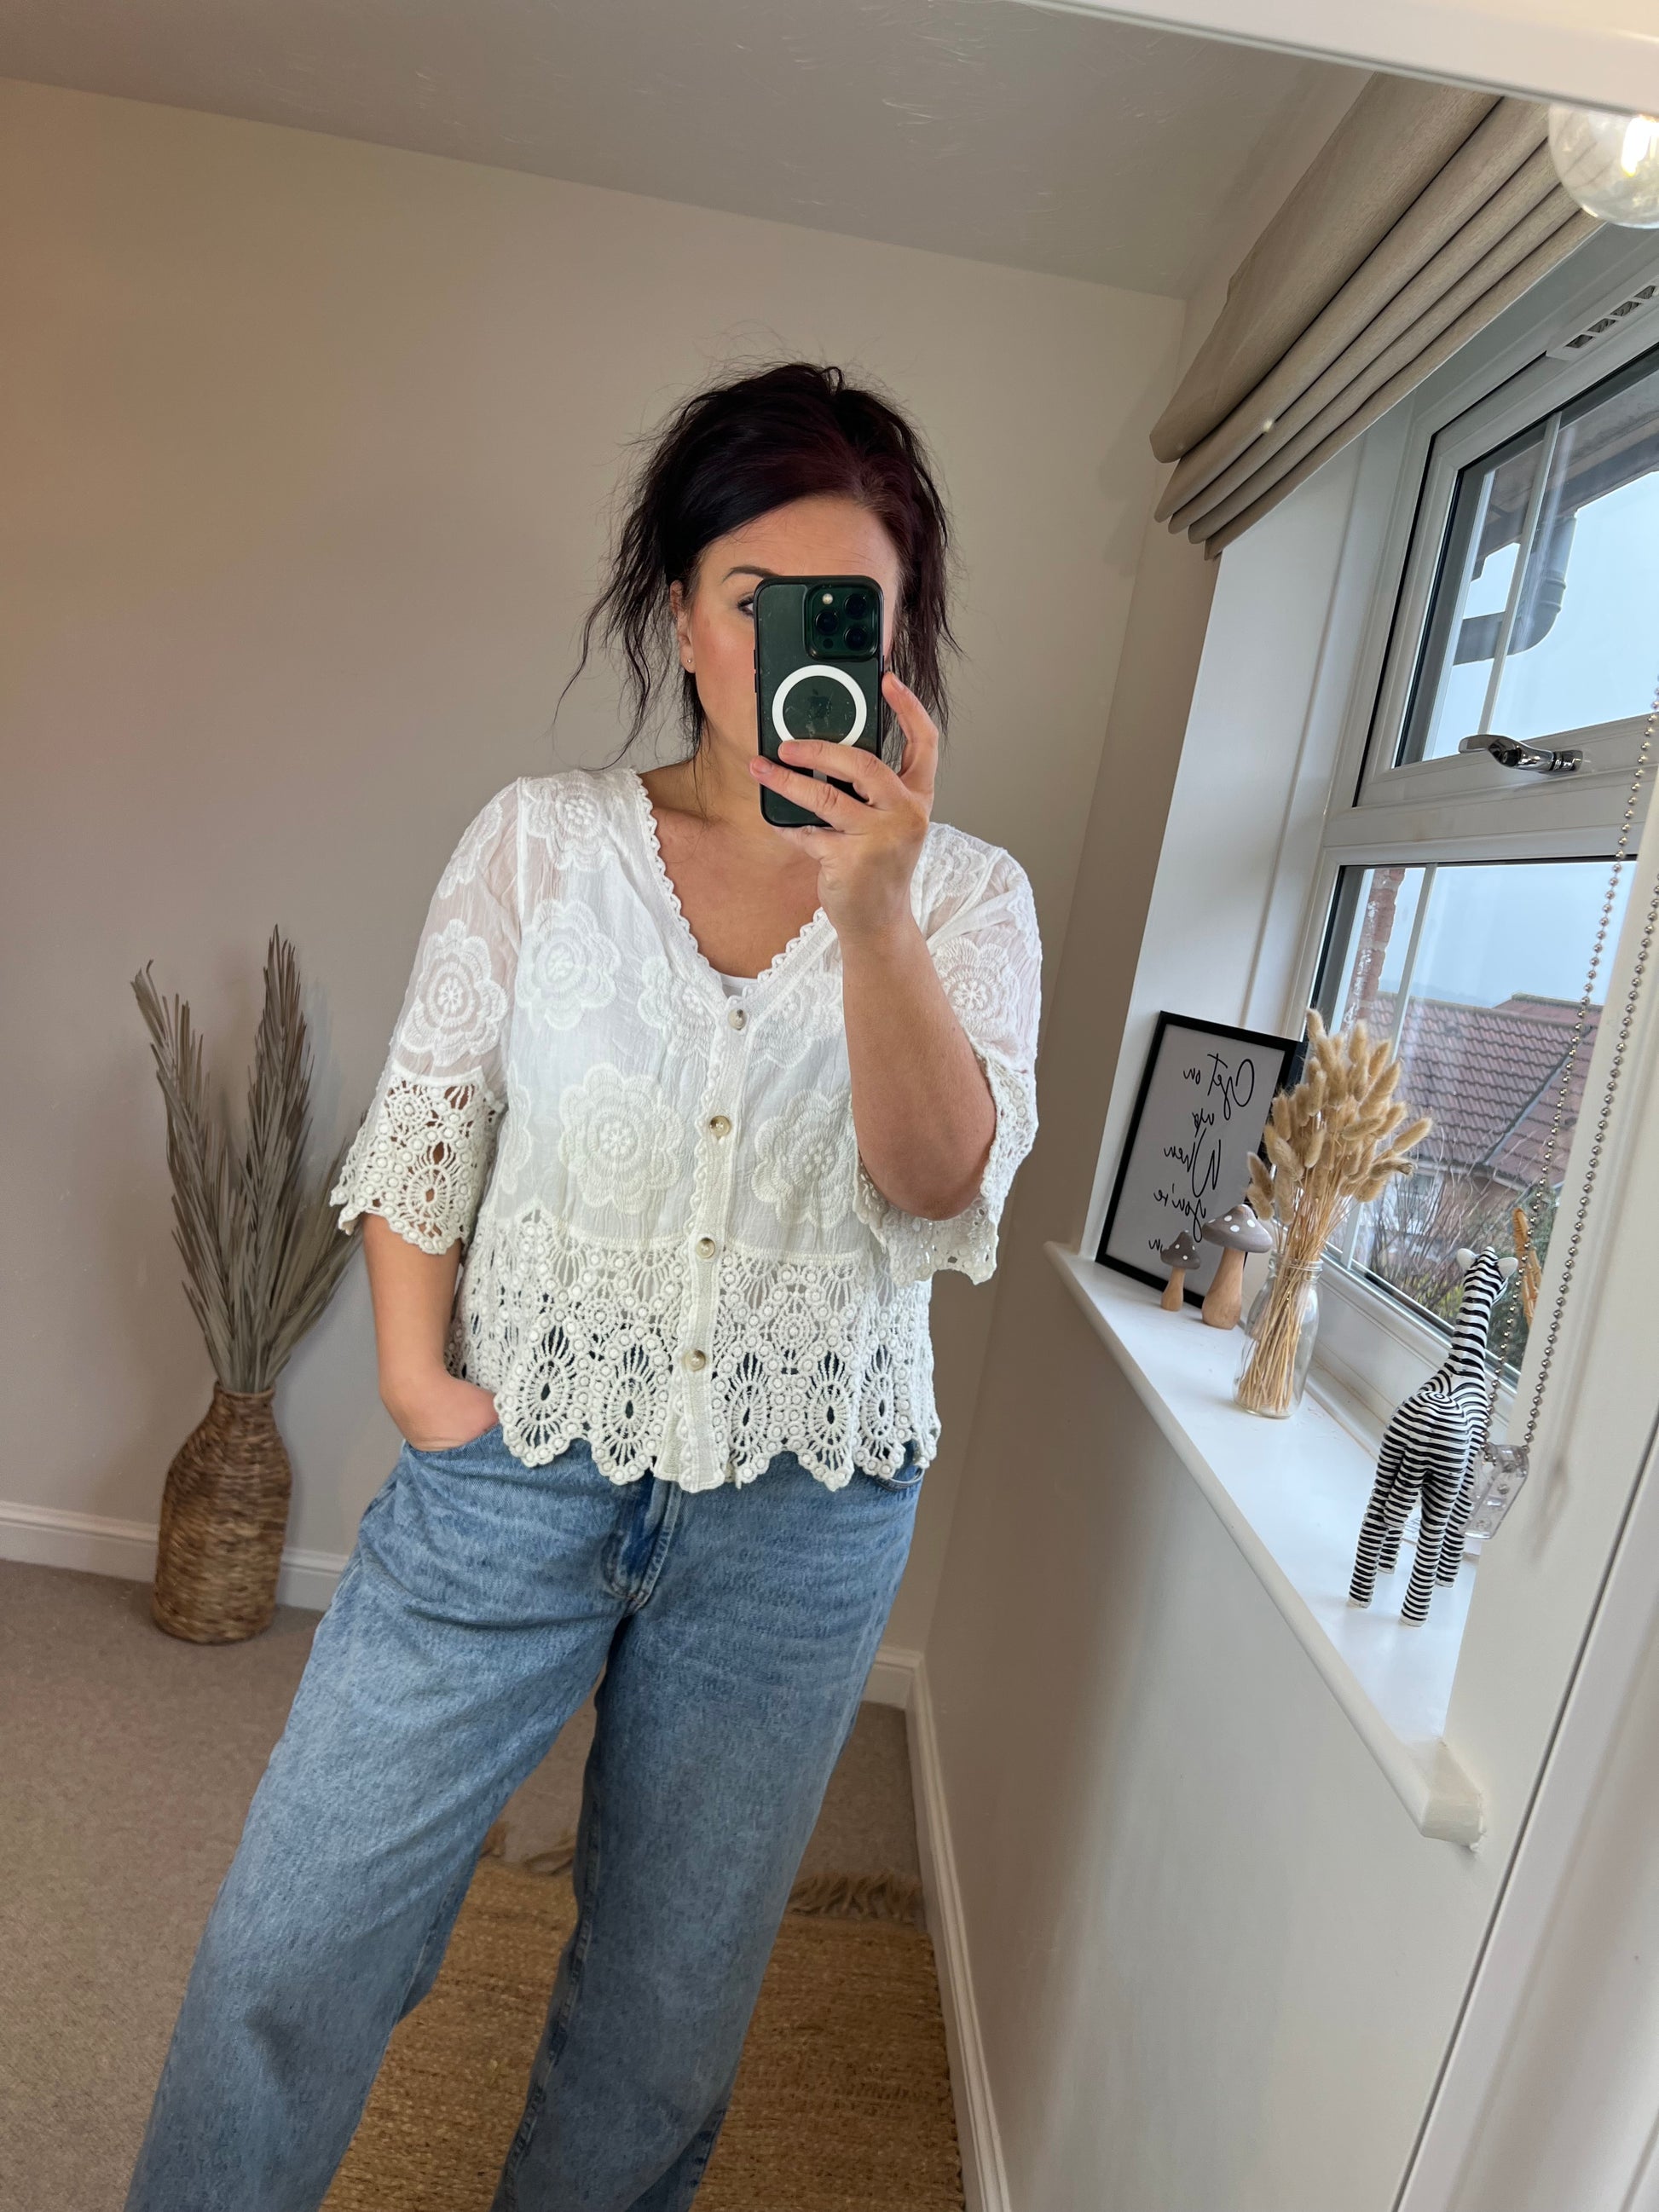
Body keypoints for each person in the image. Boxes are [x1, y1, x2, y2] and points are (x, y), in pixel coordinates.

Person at [124, 360, 1042, 2212]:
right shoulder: (540, 841)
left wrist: (871, 909)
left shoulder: (967, 901)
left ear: (895, 640)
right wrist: (419, 1389)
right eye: (753, 597)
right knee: (290, 1948)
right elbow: (428, 1122)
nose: (793, 644)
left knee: (657, 2031)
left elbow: (937, 1180)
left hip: (800, 1518)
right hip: (513, 1468)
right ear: (681, 613)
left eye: (846, 607)